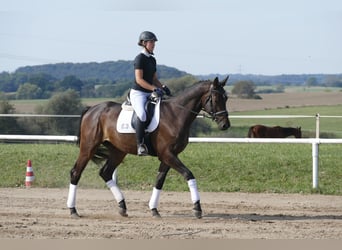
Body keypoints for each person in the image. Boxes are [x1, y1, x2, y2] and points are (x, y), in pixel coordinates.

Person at [130, 31, 171, 156]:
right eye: (151, 42)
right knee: (142, 115)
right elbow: (139, 80)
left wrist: (162, 86)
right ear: (144, 43)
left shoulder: (152, 59)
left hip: (149, 92)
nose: (153, 44)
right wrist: (154, 89)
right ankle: (140, 145)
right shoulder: (140, 58)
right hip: (138, 93)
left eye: (154, 42)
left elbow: (154, 79)